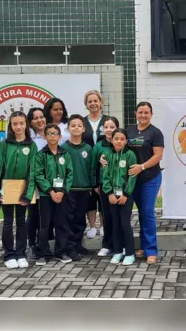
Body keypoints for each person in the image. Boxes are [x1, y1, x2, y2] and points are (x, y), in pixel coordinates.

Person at [0, 111, 37, 269]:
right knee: (8, 222)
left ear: (26, 124)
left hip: (23, 189)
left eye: (21, 123)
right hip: (7, 188)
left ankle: (21, 253)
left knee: (22, 222)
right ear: (10, 125)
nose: (18, 126)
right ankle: (9, 254)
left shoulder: (31, 145)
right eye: (15, 123)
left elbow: (33, 171)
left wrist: (27, 194)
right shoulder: (5, 144)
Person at [126, 102, 164, 265]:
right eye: (140, 112)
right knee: (140, 213)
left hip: (150, 177)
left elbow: (158, 156)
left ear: (151, 114)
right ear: (135, 113)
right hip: (132, 179)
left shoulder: (155, 132)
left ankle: (151, 250)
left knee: (147, 213)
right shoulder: (129, 130)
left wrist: (141, 167)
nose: (143, 115)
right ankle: (142, 246)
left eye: (146, 112)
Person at [32, 124, 73, 265]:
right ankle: (43, 253)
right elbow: (38, 175)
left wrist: (61, 192)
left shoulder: (65, 154)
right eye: (49, 134)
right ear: (44, 136)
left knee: (61, 224)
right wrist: (50, 191)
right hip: (46, 195)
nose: (52, 136)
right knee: (45, 225)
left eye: (55, 133)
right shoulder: (41, 155)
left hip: (61, 195)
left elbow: (70, 174)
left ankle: (61, 252)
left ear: (60, 136)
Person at [101, 128, 138, 266]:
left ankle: (130, 253)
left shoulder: (130, 155)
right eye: (116, 138)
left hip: (125, 196)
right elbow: (105, 176)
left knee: (124, 223)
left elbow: (132, 176)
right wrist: (109, 193)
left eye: (122, 139)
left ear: (126, 141)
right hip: (112, 196)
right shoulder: (107, 155)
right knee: (115, 223)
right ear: (111, 139)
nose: (119, 141)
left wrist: (126, 194)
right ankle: (117, 251)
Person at [61, 114, 95, 261]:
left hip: (84, 189)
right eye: (73, 125)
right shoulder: (63, 148)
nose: (76, 128)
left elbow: (91, 168)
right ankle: (69, 247)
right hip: (69, 190)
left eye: (79, 125)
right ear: (68, 128)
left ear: (83, 128)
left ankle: (78, 243)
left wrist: (91, 185)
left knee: (80, 218)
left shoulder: (88, 148)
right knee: (69, 218)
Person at [91, 116, 120, 257]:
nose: (109, 130)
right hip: (105, 187)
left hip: (121, 187)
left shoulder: (121, 144)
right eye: (106, 127)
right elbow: (93, 167)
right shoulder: (99, 146)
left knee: (120, 217)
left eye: (112, 127)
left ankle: (120, 245)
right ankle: (107, 245)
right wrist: (96, 184)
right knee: (107, 215)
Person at [82, 90, 109, 240]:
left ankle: (104, 225)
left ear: (101, 103)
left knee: (103, 195)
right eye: (90, 101)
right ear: (86, 104)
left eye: (95, 100)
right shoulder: (82, 121)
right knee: (90, 196)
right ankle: (92, 226)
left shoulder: (108, 120)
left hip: (104, 165)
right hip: (87, 165)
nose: (93, 103)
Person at [25, 107, 48, 259]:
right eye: (35, 118)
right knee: (33, 215)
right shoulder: (29, 140)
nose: (40, 120)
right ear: (30, 122)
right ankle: (31, 245)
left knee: (45, 216)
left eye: (42, 117)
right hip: (33, 184)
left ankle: (44, 245)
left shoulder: (52, 135)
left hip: (49, 185)